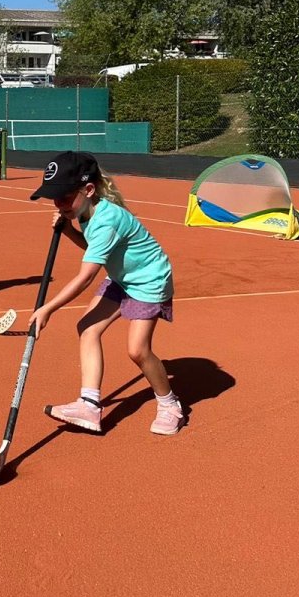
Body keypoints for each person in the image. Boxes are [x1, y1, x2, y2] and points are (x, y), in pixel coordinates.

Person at [27, 151, 184, 436]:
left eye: (64, 197)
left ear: (88, 190)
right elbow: (93, 250)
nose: (58, 204)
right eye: (54, 198)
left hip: (149, 282)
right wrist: (68, 230)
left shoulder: (106, 220)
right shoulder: (87, 211)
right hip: (123, 278)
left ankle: (170, 404)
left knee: (137, 350)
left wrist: (48, 308)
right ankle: (89, 404)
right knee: (87, 327)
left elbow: (86, 276)